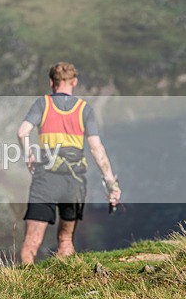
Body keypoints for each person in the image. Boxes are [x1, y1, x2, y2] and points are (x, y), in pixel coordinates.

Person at [16, 62, 120, 265]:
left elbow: (22, 132)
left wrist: (29, 154)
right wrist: (111, 184)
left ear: (51, 83)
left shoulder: (42, 104)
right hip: (74, 180)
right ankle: (64, 285)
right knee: (65, 241)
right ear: (74, 82)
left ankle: (25, 289)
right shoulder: (84, 110)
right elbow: (97, 149)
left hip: (46, 179)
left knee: (31, 243)